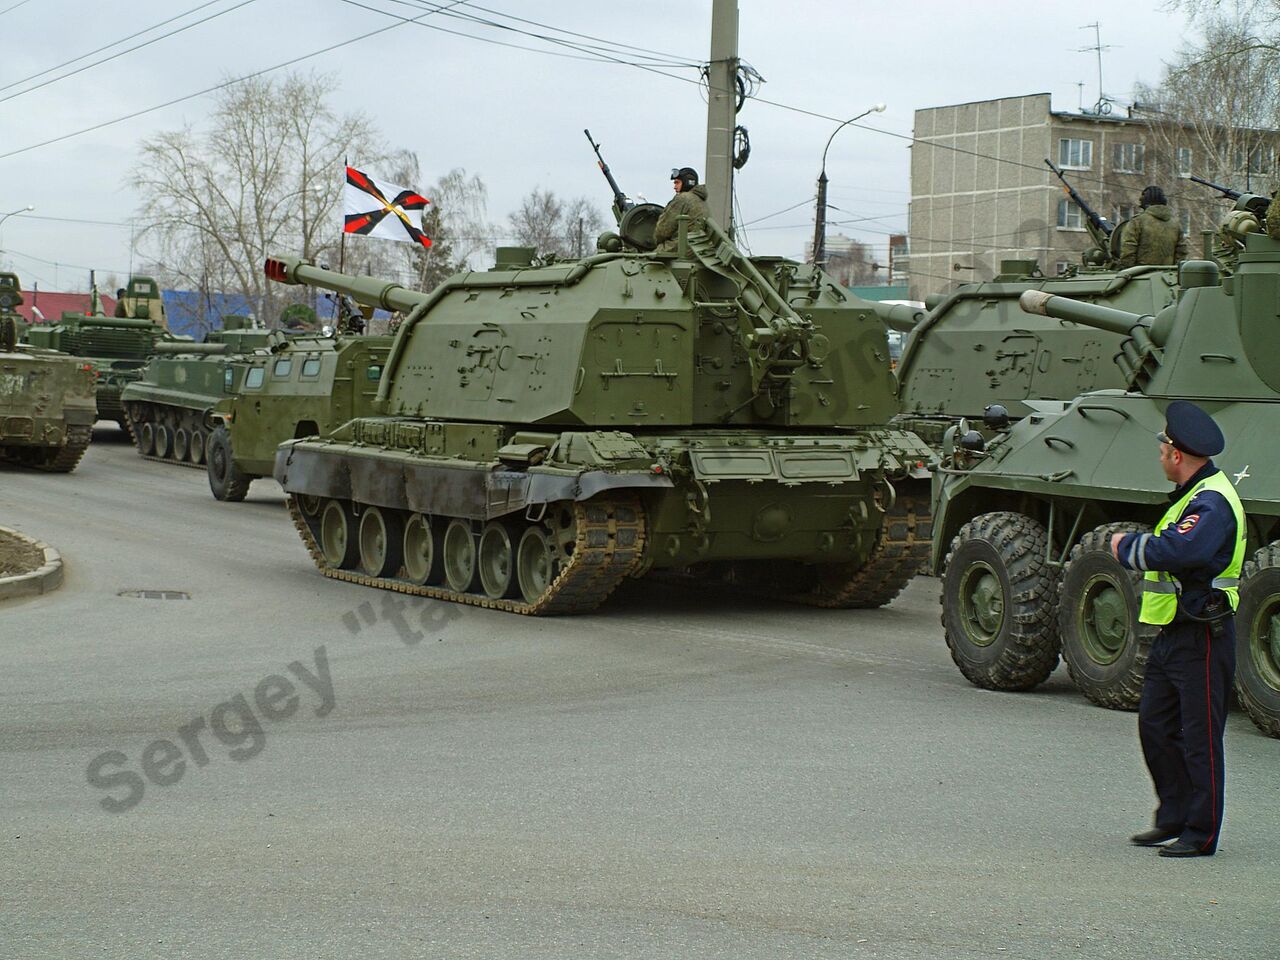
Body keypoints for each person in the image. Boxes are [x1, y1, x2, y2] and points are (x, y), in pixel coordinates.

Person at [1109, 400, 1244, 858]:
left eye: (1163, 448)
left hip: (1204, 633)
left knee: (1199, 738)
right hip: (1176, 631)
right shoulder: (1193, 496)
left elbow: (1180, 551)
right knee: (1156, 725)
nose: (1160, 455)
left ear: (1176, 455)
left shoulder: (1212, 503)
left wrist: (1126, 546)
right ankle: (1172, 817)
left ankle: (1201, 832)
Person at [1116, 186, 1188, 268]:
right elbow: (1182, 252)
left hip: (1140, 275)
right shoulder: (1176, 224)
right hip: (1168, 276)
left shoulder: (1137, 222)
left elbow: (1128, 250)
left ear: (1145, 202)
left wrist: (1127, 271)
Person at [653, 166, 708, 252]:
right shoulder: (702, 201)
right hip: (698, 249)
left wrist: (656, 242)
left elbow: (663, 231)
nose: (674, 187)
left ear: (687, 183)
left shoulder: (682, 198)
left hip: (681, 248)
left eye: (677, 183)